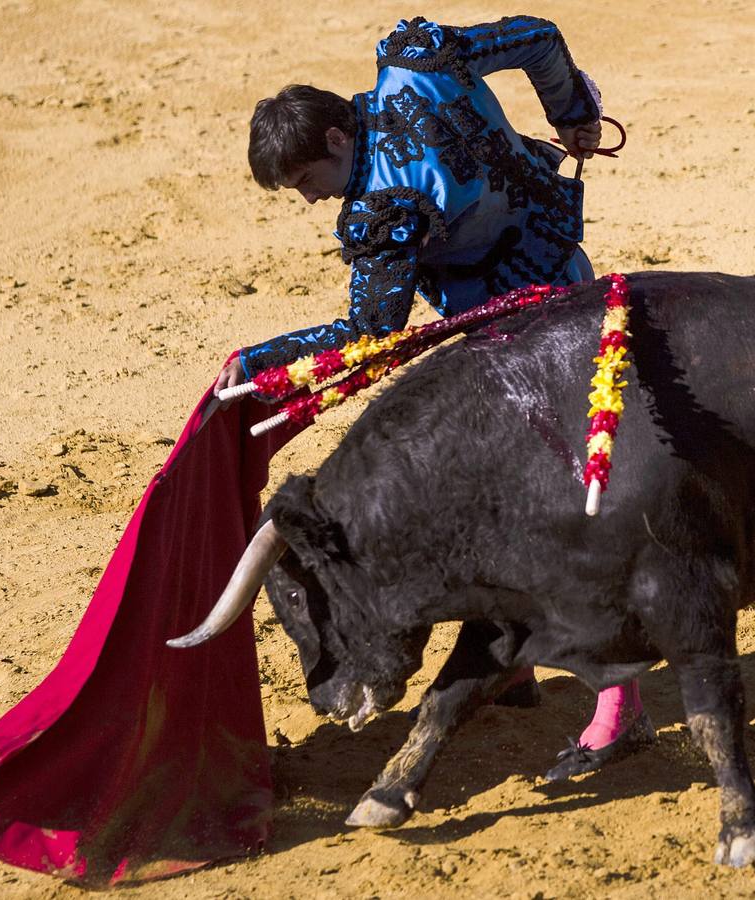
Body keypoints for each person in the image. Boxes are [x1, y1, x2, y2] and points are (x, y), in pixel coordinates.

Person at [216, 15, 651, 780]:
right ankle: (513, 667)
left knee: (549, 510)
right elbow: (540, 38)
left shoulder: (382, 208)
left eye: (307, 185)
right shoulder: (415, 62)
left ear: (334, 143)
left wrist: (258, 360)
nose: (313, 203)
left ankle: (620, 705)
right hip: (568, 277)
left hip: (511, 348)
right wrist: (574, 114)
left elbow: (369, 330)